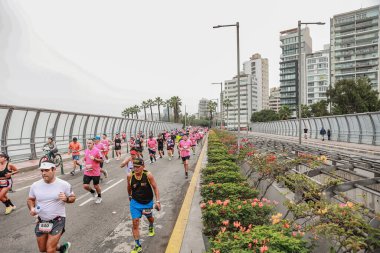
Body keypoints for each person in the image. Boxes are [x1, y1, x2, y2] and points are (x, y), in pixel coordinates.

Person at [27, 160, 75, 253]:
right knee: (43, 249)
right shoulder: (35, 185)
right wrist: (32, 208)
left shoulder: (64, 184)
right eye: (42, 171)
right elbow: (30, 199)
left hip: (57, 220)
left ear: (54, 169)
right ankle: (62, 248)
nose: (43, 173)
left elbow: (73, 197)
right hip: (42, 220)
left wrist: (66, 199)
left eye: (46, 170)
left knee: (50, 250)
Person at [127, 158, 161, 253]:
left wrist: (157, 201)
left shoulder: (148, 175)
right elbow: (128, 187)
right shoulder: (130, 176)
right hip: (135, 202)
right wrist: (129, 195)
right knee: (135, 222)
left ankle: (151, 225)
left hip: (147, 202)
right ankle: (138, 246)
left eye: (138, 167)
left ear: (143, 167)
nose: (136, 169)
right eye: (134, 167)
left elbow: (155, 187)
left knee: (150, 218)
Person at [83, 139, 103, 204]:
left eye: (90, 143)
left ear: (93, 144)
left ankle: (99, 197)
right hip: (87, 171)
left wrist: (94, 159)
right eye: (87, 143)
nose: (88, 144)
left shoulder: (97, 151)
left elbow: (101, 160)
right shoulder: (86, 151)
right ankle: (93, 192)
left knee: (96, 186)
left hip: (95, 171)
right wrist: (82, 161)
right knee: (85, 186)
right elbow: (85, 158)